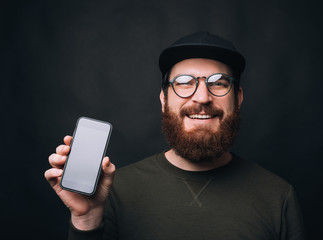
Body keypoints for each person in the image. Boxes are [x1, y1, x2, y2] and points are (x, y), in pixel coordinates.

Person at [45, 31, 305, 240]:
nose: (202, 97)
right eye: (184, 83)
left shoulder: (278, 197)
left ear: (237, 98)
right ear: (163, 99)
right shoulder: (111, 193)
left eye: (218, 82)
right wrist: (86, 219)